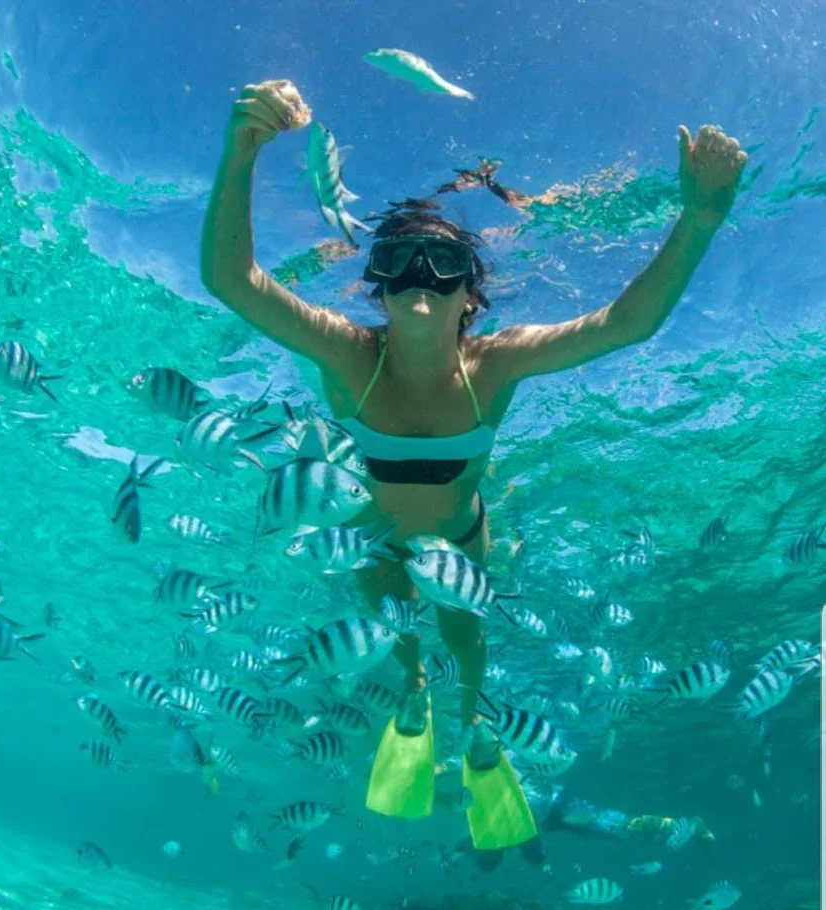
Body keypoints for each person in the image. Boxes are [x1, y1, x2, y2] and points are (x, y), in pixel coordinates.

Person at [200, 79, 747, 851]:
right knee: (403, 648)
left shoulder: (495, 365)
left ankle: (478, 724)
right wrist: (241, 155)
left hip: (464, 542)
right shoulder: (345, 351)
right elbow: (232, 281)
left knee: (468, 646)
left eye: (445, 262)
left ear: (470, 295)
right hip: (375, 544)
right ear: (379, 286)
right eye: (399, 260)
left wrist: (698, 220)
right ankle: (414, 699)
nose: (422, 276)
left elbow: (628, 323)